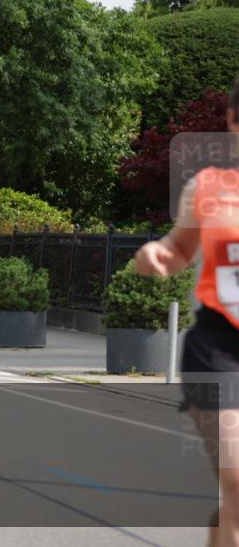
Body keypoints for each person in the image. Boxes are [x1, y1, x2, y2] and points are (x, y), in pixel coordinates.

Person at [133, 76, 239, 547]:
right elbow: (179, 248)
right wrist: (157, 255)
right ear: (233, 124)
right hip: (218, 349)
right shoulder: (209, 188)